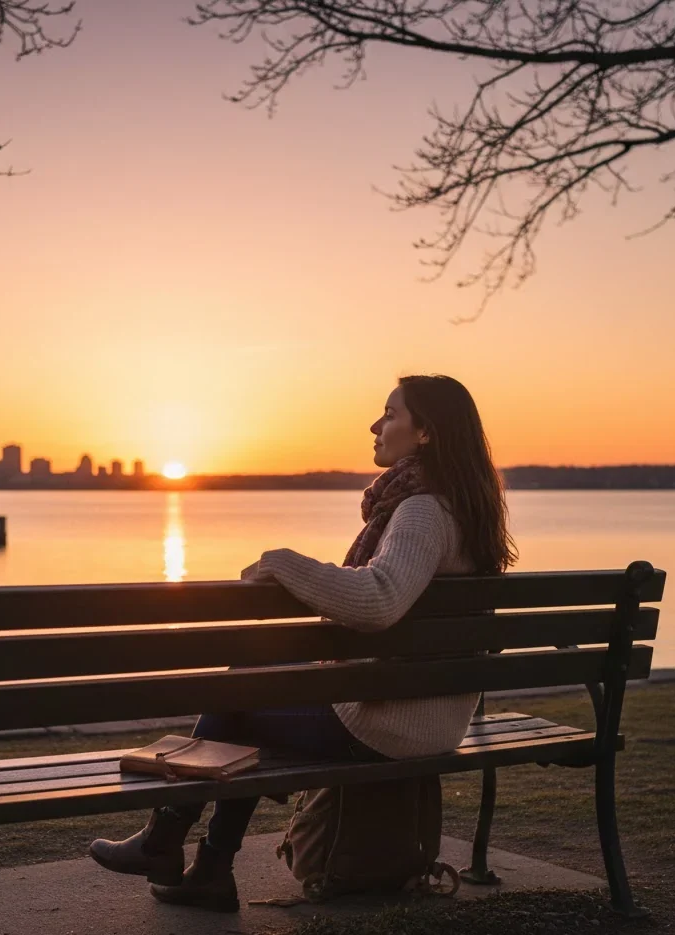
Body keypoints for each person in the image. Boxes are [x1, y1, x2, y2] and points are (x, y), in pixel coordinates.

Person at [89, 374, 518, 912]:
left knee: (233, 697)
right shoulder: (469, 511)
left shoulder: (422, 510)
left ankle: (171, 844)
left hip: (390, 727)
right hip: (436, 718)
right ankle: (198, 863)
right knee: (251, 684)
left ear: (426, 432)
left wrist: (284, 563)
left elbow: (380, 599)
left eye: (390, 414)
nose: (375, 425)